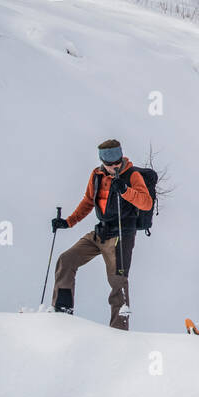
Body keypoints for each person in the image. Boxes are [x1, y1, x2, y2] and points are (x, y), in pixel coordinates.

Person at [50, 139, 152, 329]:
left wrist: (125, 190)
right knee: (66, 260)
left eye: (117, 159)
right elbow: (89, 201)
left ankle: (119, 330)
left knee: (117, 281)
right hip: (101, 232)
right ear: (101, 160)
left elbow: (146, 203)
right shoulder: (97, 175)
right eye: (109, 161)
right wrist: (68, 222)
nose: (114, 165)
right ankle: (62, 311)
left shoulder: (132, 175)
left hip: (121, 234)